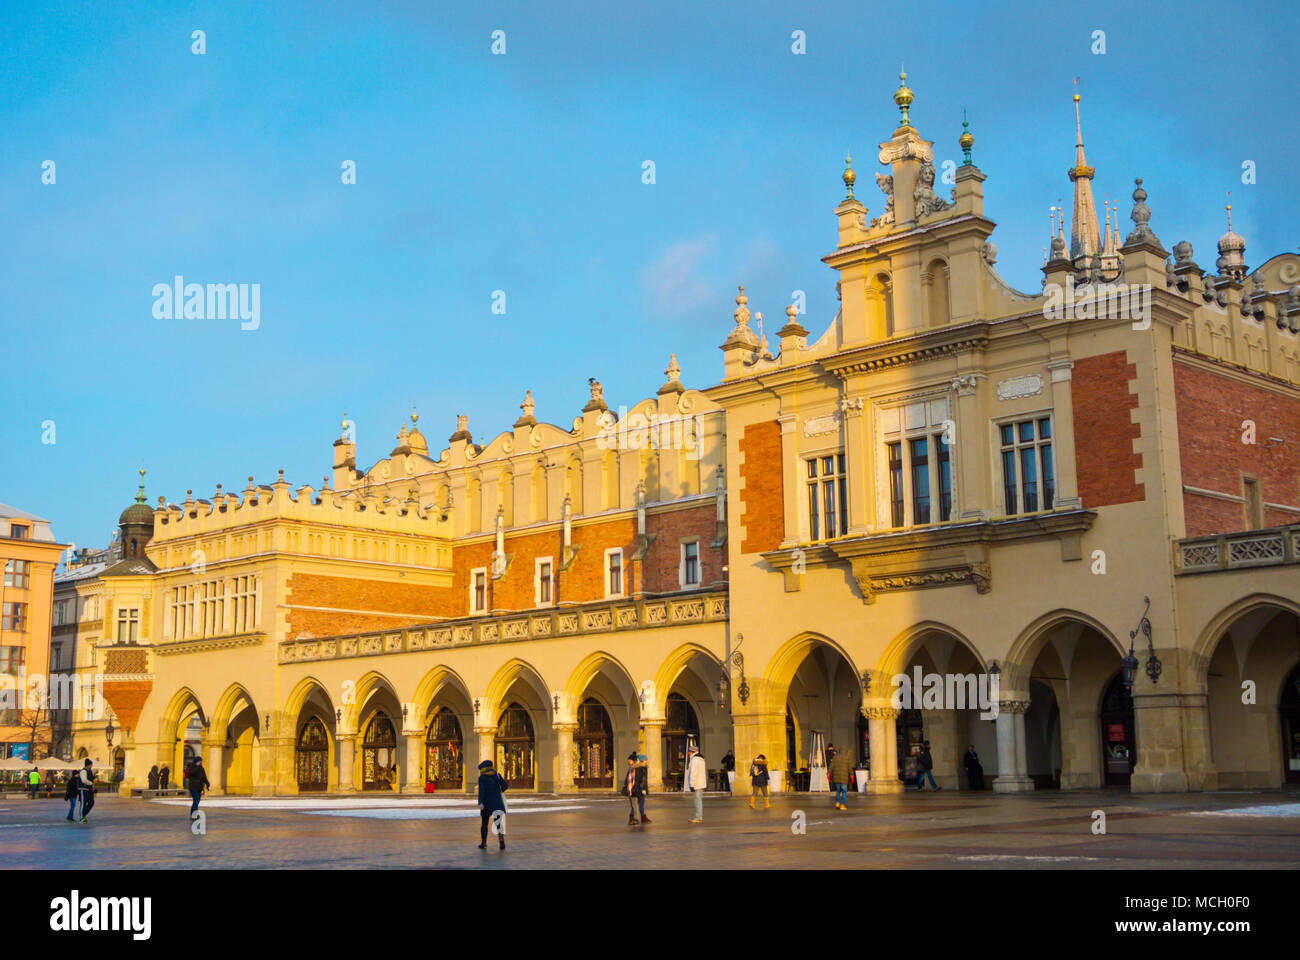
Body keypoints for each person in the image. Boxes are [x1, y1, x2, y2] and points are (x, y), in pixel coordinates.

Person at [476, 758, 509, 850]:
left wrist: (481, 802)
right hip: (497, 803)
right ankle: (501, 841)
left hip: (486, 804)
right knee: (498, 823)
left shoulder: (482, 778)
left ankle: (484, 842)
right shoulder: (497, 775)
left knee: (484, 823)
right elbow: (505, 786)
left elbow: (481, 791)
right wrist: (499, 791)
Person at [621, 751, 650, 825]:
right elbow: (639, 780)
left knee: (639, 804)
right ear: (641, 760)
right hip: (636, 789)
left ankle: (641, 817)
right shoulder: (638, 768)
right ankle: (634, 818)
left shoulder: (639, 767)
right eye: (645, 760)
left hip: (636, 789)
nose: (647, 761)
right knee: (635, 805)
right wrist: (641, 789)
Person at [828, 744, 854, 810]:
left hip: (836, 778)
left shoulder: (835, 757)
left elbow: (831, 766)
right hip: (844, 779)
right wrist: (852, 775)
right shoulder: (847, 758)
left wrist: (829, 773)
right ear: (845, 751)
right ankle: (842, 805)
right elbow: (850, 768)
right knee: (844, 792)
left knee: (838, 791)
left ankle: (837, 803)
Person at [686, 744, 707, 823]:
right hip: (700, 782)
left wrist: (692, 784)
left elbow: (693, 773)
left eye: (689, 751)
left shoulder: (695, 760)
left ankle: (698, 817)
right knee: (698, 799)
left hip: (697, 783)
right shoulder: (701, 759)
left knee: (697, 800)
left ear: (692, 752)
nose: (688, 753)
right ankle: (698, 816)